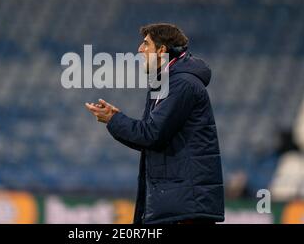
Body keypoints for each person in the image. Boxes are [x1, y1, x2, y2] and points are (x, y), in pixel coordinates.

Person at [85, 23, 225, 224]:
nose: (139, 50)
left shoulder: (181, 83)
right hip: (177, 203)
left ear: (162, 50)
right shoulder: (167, 81)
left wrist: (113, 120)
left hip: (185, 207)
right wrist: (113, 120)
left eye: (145, 44)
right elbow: (149, 140)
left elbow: (151, 135)